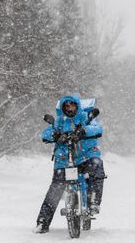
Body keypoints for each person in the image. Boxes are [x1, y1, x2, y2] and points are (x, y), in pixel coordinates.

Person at [34, 94, 105, 234]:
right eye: (66, 106)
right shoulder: (59, 122)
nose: (69, 108)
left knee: (96, 167)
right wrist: (54, 135)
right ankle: (42, 222)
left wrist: (84, 131)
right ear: (62, 108)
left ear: (77, 106)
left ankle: (93, 202)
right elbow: (45, 134)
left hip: (86, 156)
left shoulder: (86, 118)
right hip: (64, 159)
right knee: (56, 187)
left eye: (72, 105)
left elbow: (98, 129)